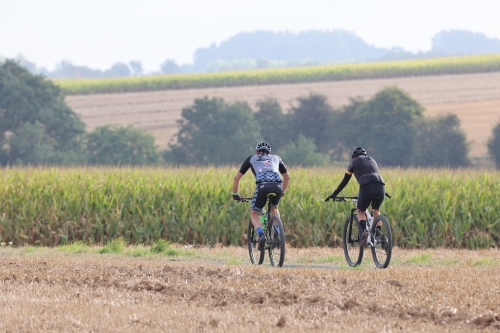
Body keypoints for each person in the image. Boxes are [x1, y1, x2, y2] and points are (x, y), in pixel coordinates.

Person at [232, 142, 291, 250]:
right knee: (274, 208)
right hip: (278, 185)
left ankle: (261, 235)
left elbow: (237, 178)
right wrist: (282, 191)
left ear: (256, 152)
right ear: (270, 152)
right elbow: (287, 177)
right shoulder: (276, 158)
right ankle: (277, 232)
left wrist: (235, 194)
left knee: (254, 214)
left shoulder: (252, 158)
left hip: (262, 186)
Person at [325, 147, 385, 244]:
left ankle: (364, 230)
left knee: (360, 210)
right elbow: (374, 177)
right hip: (380, 185)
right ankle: (379, 237)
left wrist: (335, 193)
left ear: (353, 157)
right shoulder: (372, 160)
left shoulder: (354, 162)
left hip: (366, 186)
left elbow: (345, 180)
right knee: (376, 210)